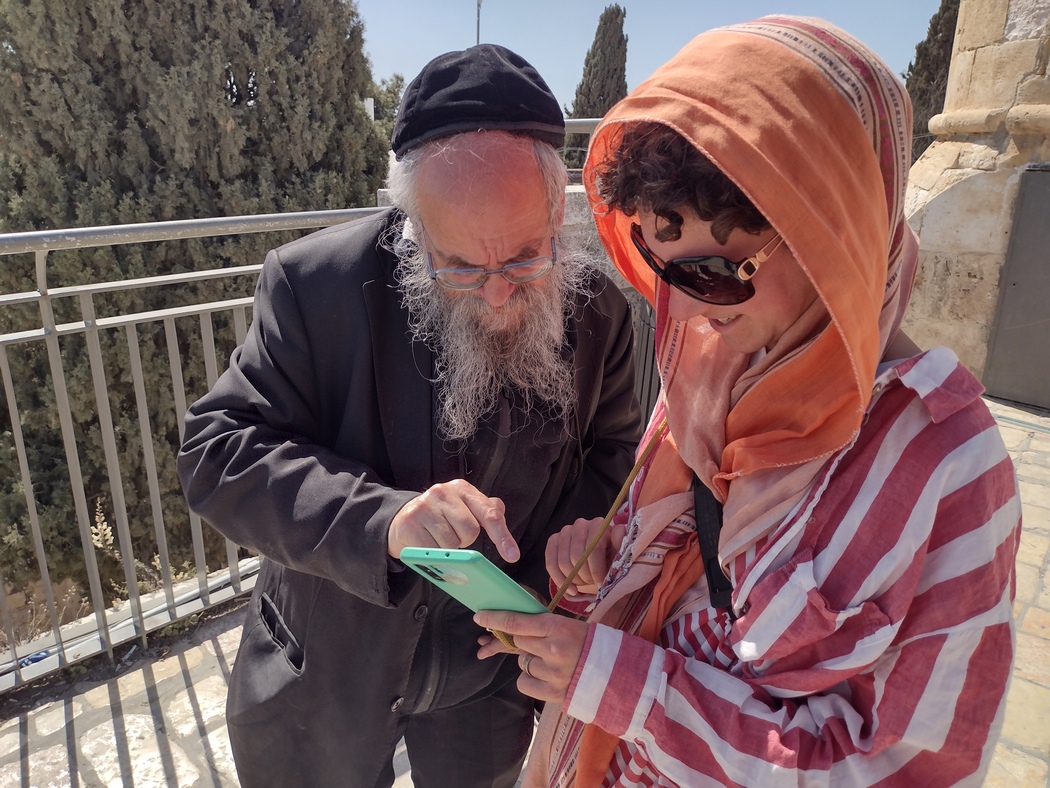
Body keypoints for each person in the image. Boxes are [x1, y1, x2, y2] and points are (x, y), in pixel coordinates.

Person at [475, 16, 1022, 787]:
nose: (688, 309)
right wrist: (608, 554)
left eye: (715, 274)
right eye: (662, 266)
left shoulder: (947, 468)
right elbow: (671, 561)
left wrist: (620, 684)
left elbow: (901, 769)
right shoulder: (709, 373)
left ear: (835, 233)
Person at [177, 44, 642, 787]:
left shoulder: (598, 310)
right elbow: (217, 454)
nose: (497, 294)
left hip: (488, 679)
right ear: (413, 224)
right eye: (460, 266)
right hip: (330, 675)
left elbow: (614, 454)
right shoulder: (314, 286)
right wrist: (384, 522)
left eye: (526, 256)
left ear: (559, 212)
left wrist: (580, 540)